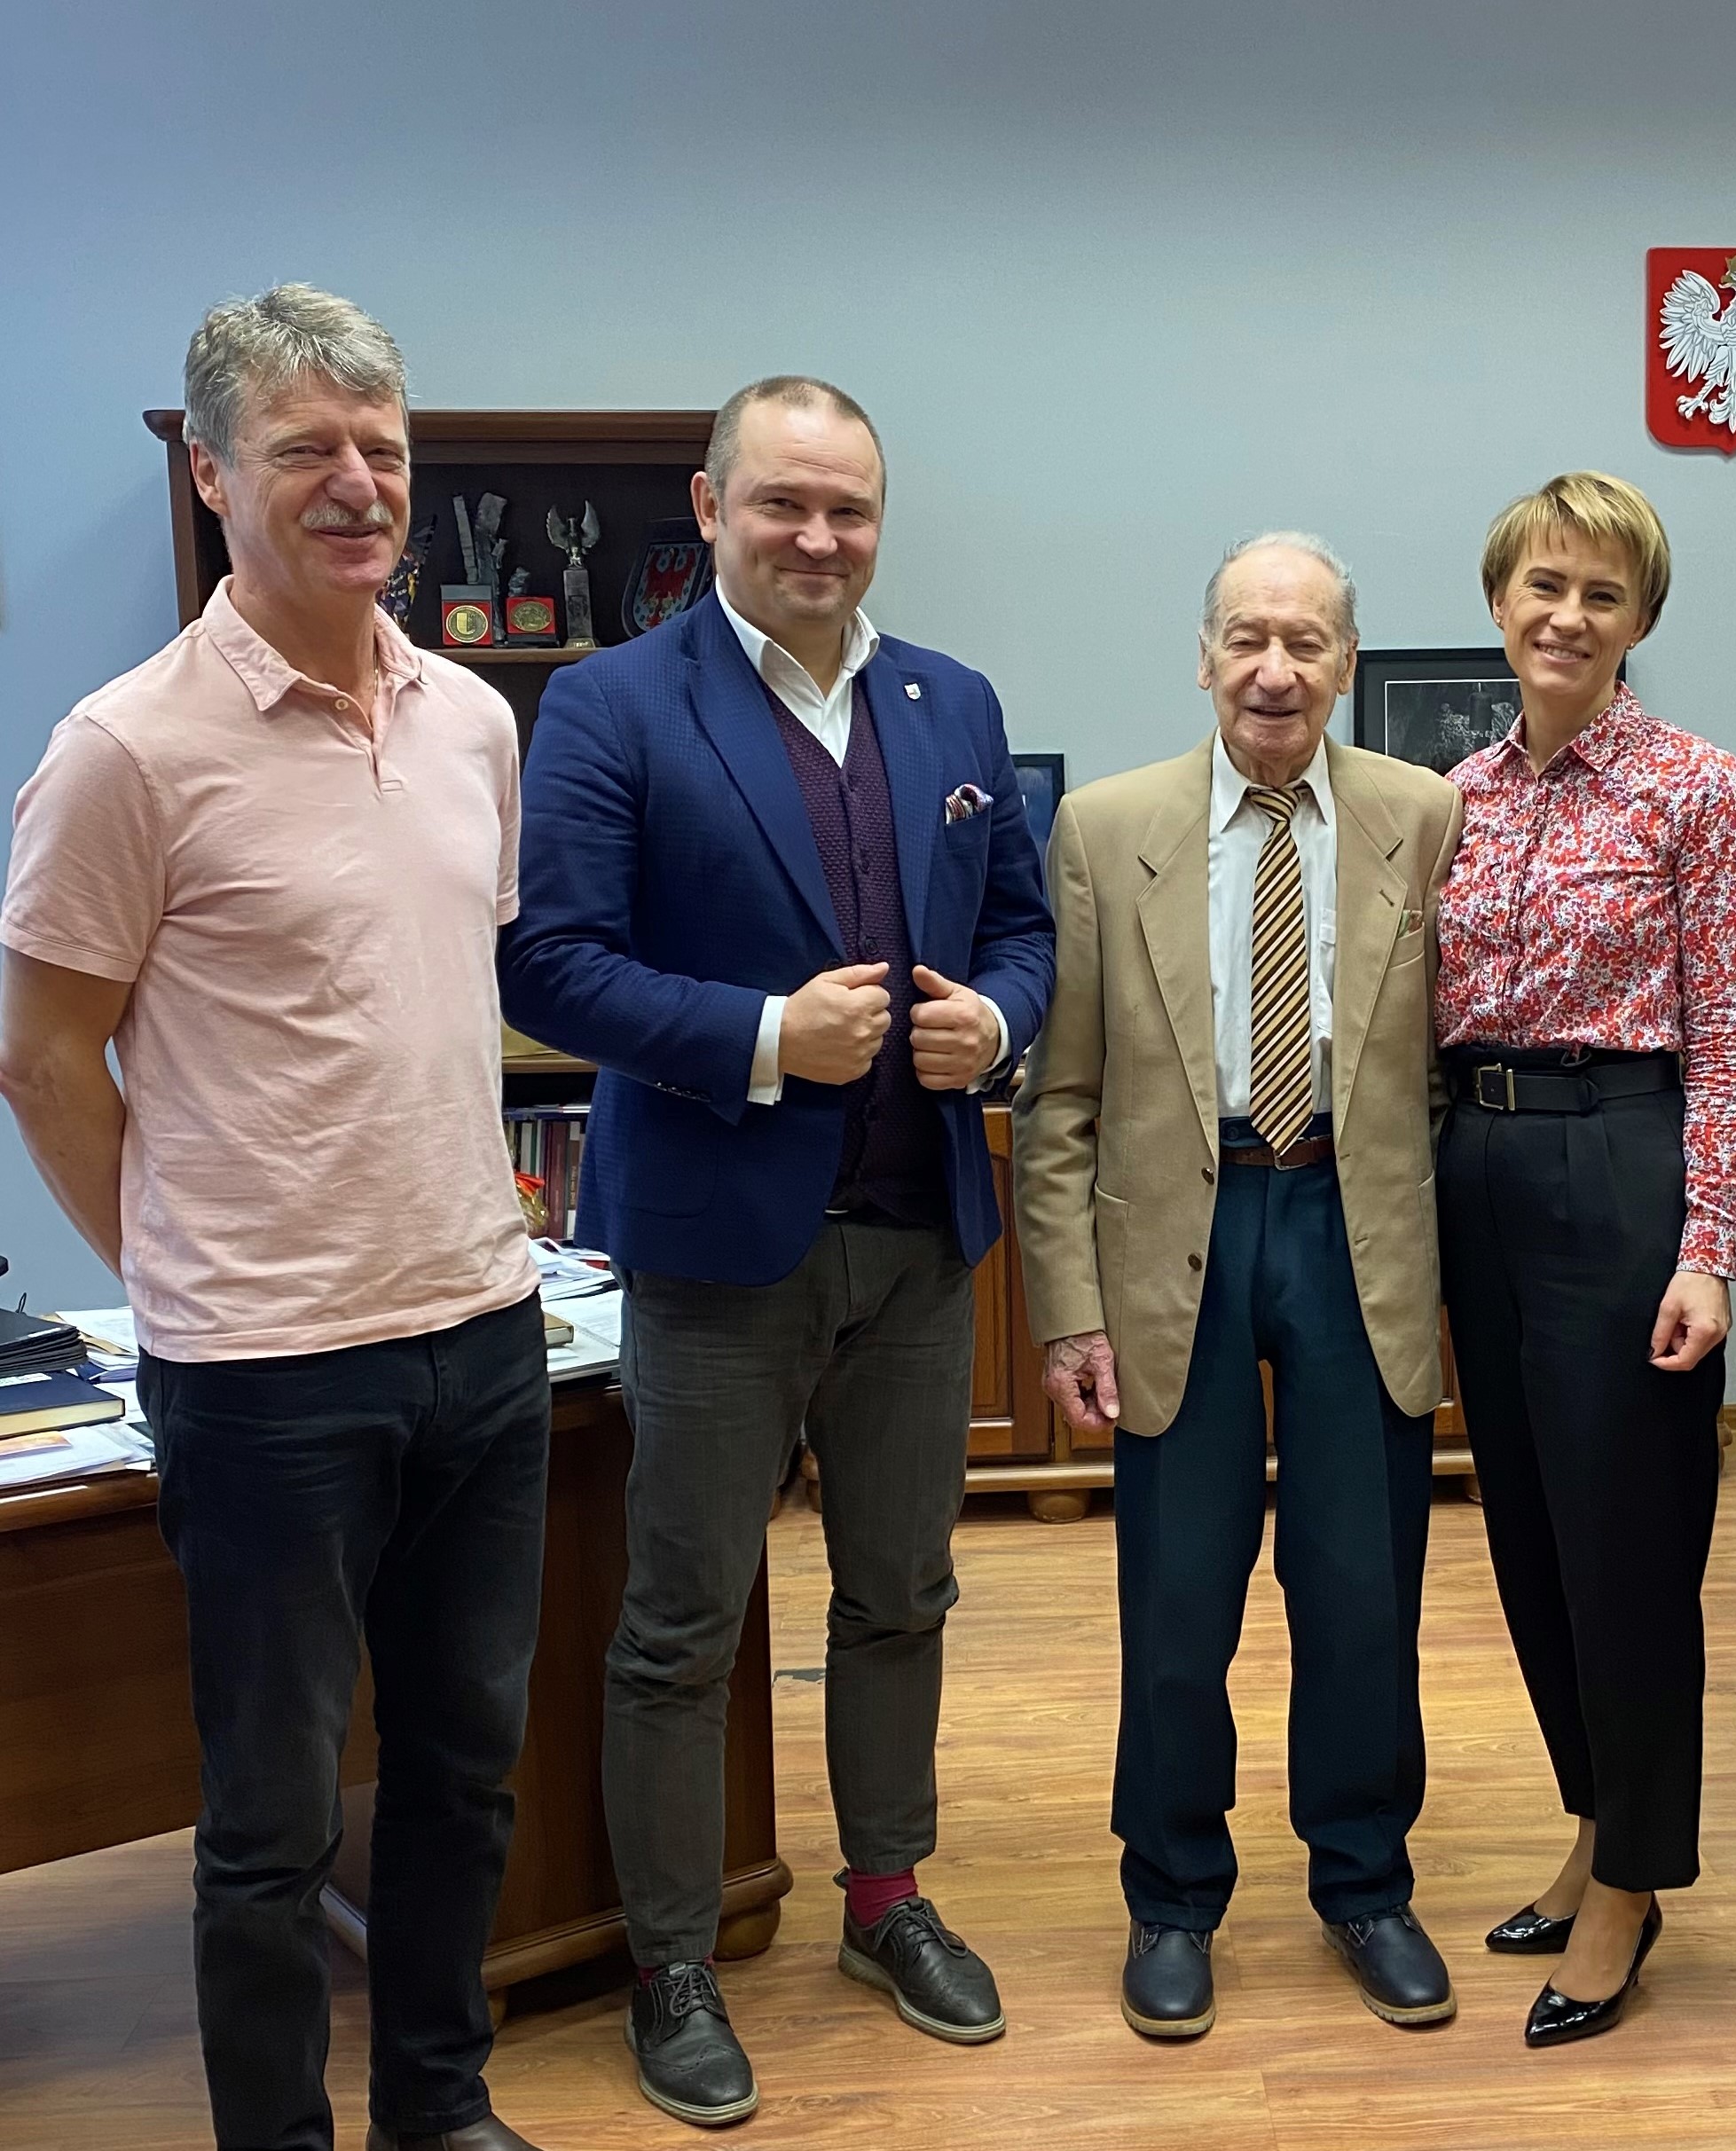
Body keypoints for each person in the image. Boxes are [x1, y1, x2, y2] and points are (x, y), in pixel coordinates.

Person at [0, 286, 550, 2151]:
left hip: (484, 1334)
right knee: (272, 1820)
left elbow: (442, 995)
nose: (356, 483)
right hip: (264, 1375)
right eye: (307, 447)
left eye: (381, 447)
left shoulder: (472, 718)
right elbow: (44, 1056)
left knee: (464, 1775)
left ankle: (436, 2108)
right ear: (215, 475)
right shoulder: (126, 749)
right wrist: (182, 1267)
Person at [499, 375, 1053, 2125]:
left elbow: (1023, 926)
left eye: (849, 508)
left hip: (914, 1246)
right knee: (683, 1623)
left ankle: (885, 1898)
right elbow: (548, 964)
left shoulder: (950, 701)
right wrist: (761, 1036)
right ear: (710, 507)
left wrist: (997, 1022)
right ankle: (672, 1961)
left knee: (901, 1596)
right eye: (783, 503)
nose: (819, 536)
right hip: (715, 1256)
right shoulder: (610, 703)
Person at [1014, 533, 1465, 2041]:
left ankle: (1365, 1883)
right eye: (1247, 638)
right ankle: (1172, 1894)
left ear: (1346, 662)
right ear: (1202, 655)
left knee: (1360, 1589)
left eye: (1306, 641)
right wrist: (1069, 1309)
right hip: (1175, 1240)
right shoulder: (1103, 826)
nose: (1276, 670)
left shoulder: (1423, 815)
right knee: (1178, 1592)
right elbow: (1061, 1097)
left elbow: (1448, 1066)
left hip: (1350, 1224)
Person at [1434, 472, 1736, 2047]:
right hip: (1477, 1167)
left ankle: (1633, 1881)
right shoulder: (1457, 794)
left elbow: (1732, 1038)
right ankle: (1589, 1823)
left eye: (1600, 593)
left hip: (1620, 1162)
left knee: (1626, 1546)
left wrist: (1708, 1250)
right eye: (1542, 586)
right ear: (1499, 601)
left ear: (1640, 619)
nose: (1565, 616)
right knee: (1526, 1535)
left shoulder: (1697, 787)